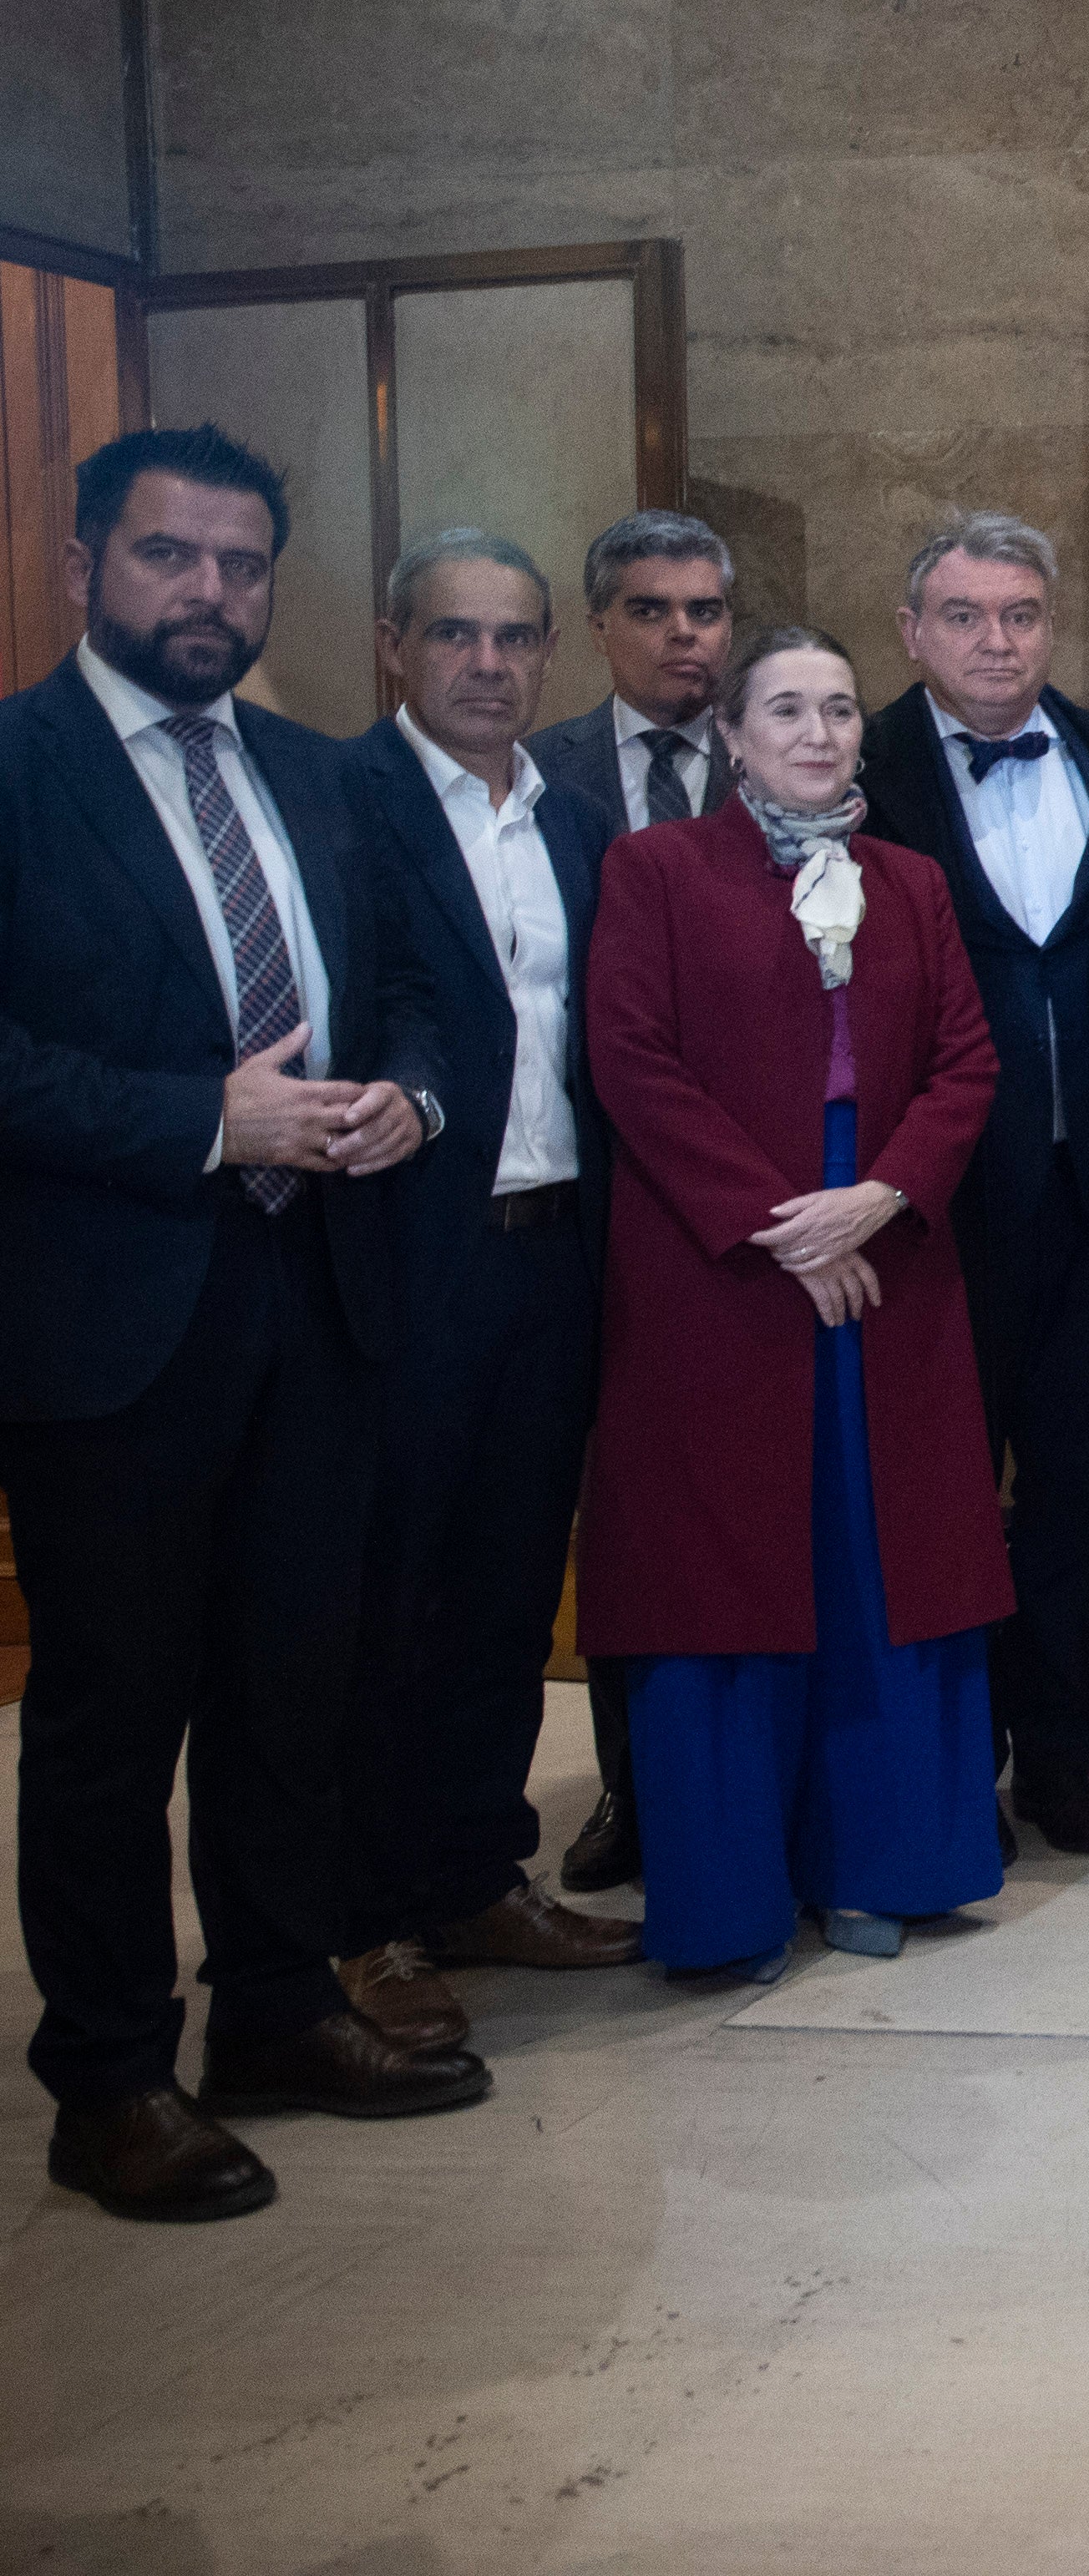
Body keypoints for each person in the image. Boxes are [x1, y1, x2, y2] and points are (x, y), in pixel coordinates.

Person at [1, 424, 467, 2221]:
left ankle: (273, 2004)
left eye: (242, 565)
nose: (209, 594)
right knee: (118, 1710)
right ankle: (110, 2074)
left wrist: (408, 1097)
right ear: (83, 567)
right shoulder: (22, 769)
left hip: (320, 1292)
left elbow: (417, 992)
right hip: (112, 1315)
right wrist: (209, 1116)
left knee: (298, 1682)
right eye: (170, 558)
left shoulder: (320, 773)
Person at [579, 628, 1007, 1977]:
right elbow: (630, 1062)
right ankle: (731, 1901)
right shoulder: (655, 870)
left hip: (889, 1251)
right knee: (726, 1573)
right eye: (785, 709)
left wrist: (878, 1198)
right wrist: (783, 1225)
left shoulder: (912, 881)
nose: (818, 732)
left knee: (882, 1559)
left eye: (837, 708)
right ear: (734, 733)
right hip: (722, 1264)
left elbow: (966, 1064)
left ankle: (886, 1864)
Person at [332, 533, 641, 2070]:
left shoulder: (579, 825)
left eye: (516, 639)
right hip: (397, 1256)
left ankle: (471, 1873)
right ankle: (360, 1913)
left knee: (514, 1585)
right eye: (454, 635)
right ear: (394, 646)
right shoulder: (339, 807)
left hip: (554, 1246)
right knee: (385, 1592)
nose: (488, 664)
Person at [855, 511, 1089, 1859]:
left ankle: (1059, 1756)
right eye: (965, 616)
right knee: (937, 1490)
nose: (996, 639)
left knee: (1080, 1494)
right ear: (913, 631)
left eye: (1020, 614)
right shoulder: (849, 763)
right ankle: (940, 1760)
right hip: (927, 1207)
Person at [519, 503, 740, 1897]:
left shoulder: (793, 757)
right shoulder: (533, 778)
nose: (682, 635)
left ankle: (737, 1769)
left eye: (705, 611)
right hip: (591, 1202)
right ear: (597, 627)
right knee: (625, 1505)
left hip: (761, 1204)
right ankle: (630, 1787)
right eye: (652, 611)